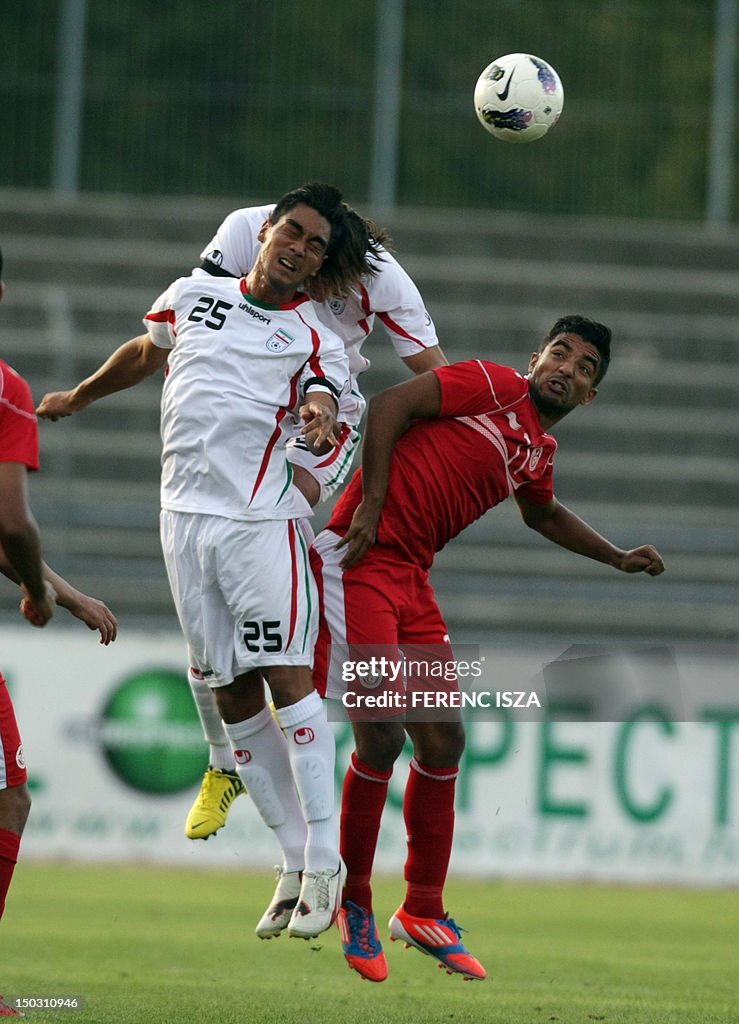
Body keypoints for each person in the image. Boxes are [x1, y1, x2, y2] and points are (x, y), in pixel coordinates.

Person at [39, 195, 449, 844]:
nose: (304, 259)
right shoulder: (241, 228)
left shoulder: (384, 278)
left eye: (321, 254)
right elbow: (185, 332)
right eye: (295, 236)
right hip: (249, 406)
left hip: (324, 407)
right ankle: (222, 760)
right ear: (271, 228)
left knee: (276, 509)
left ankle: (290, 659)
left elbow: (436, 377)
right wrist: (82, 394)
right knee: (214, 630)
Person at [308, 315, 666, 982]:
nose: (567, 367)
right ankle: (351, 902)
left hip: (410, 578)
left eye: (585, 367)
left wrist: (614, 556)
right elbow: (389, 406)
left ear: (588, 397)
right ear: (534, 358)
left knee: (443, 743)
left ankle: (421, 910)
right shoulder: (489, 383)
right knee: (381, 738)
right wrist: (371, 500)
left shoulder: (535, 452)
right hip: (358, 557)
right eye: (560, 353)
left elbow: (542, 512)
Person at [0, 246, 117, 1019]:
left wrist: (60, 592)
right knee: (10, 799)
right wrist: (45, 594)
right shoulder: (5, 388)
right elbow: (9, 521)